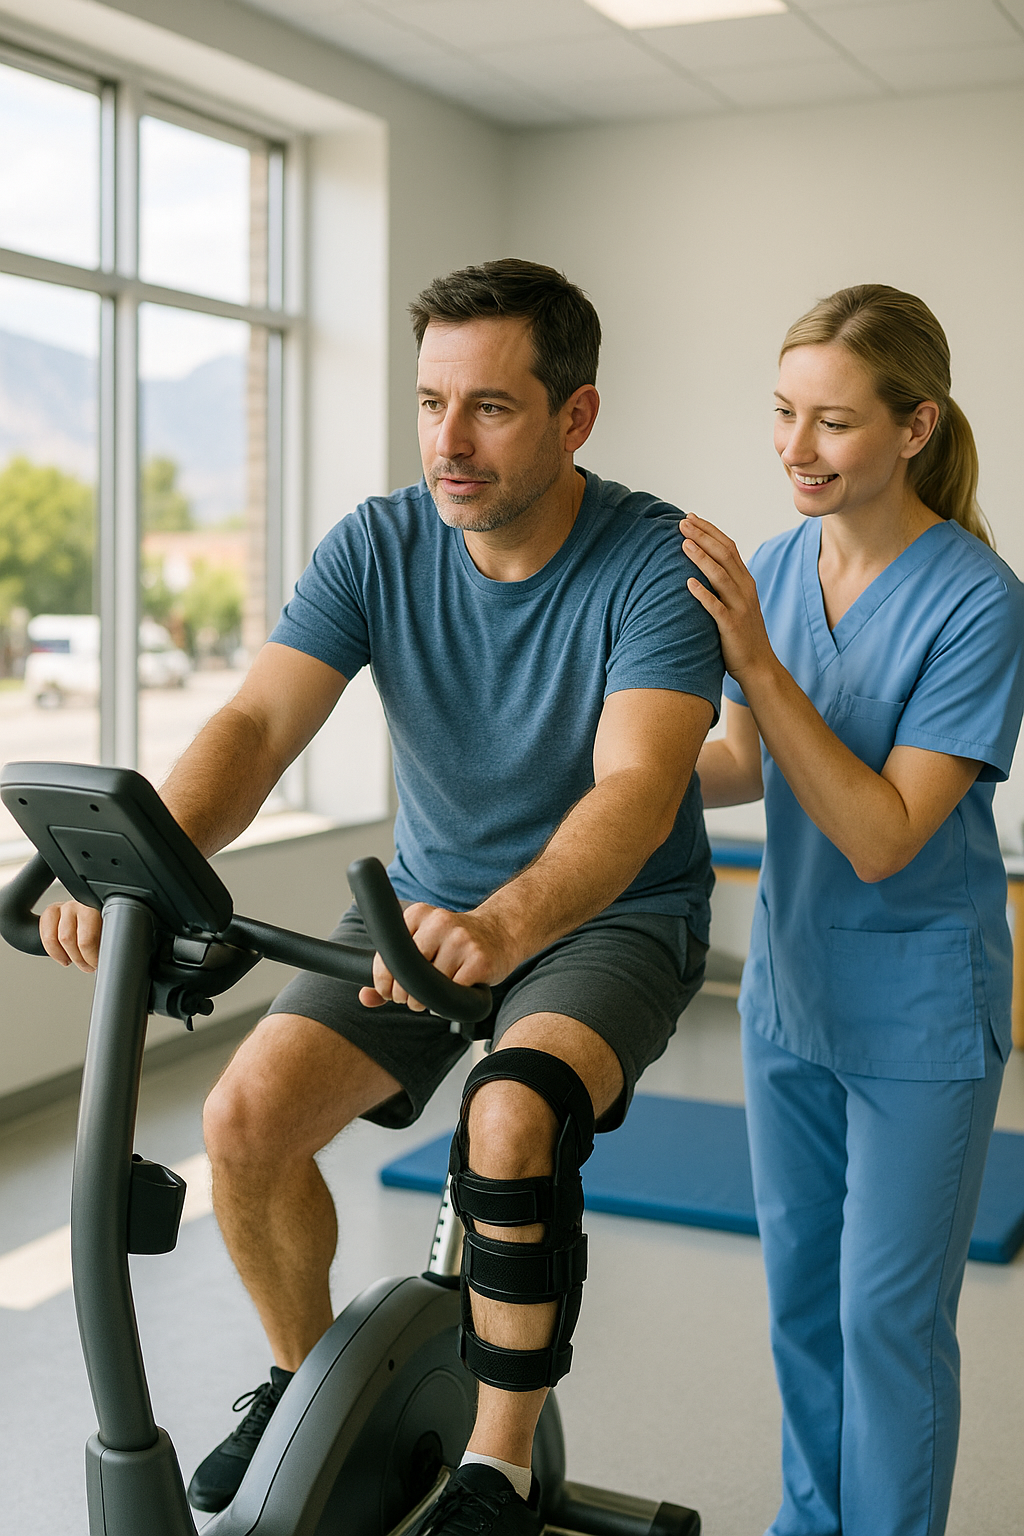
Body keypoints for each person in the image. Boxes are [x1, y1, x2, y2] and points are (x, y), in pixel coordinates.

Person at [40, 259, 723, 1534]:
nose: (446, 445)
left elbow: (637, 790)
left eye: (490, 409)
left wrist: (511, 924)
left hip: (610, 915)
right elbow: (254, 723)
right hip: (418, 904)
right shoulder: (379, 541)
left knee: (509, 1130)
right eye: (428, 404)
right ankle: (307, 1390)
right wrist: (133, 864)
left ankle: (499, 1469)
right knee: (245, 1121)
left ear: (575, 416)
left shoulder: (651, 563)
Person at [681, 284, 1024, 1536]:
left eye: (831, 422)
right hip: (790, 994)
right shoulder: (772, 566)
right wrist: (613, 763)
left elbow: (882, 836)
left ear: (914, 426)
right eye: (782, 414)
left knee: (887, 1320)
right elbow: (737, 764)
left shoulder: (979, 601)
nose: (794, 448)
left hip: (920, 1015)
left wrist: (759, 667)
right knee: (801, 1301)